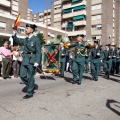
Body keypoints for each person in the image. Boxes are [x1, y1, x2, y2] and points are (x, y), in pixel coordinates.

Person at [12, 23, 41, 99]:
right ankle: (31, 85)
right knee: (22, 75)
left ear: (31, 30)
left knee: (31, 76)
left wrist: (37, 61)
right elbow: (18, 42)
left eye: (27, 28)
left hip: (32, 60)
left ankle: (29, 92)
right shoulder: (26, 40)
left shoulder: (36, 39)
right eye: (26, 28)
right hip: (25, 60)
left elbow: (38, 52)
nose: (26, 29)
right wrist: (14, 34)